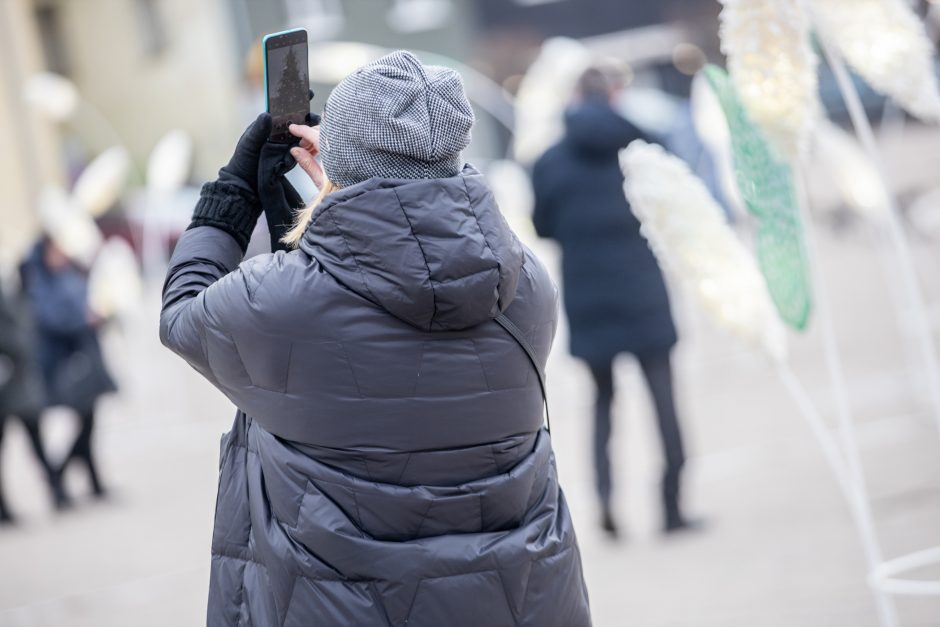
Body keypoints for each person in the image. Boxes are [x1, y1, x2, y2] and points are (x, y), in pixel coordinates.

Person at [160, 51, 591, 626]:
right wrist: (345, 202)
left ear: (340, 158)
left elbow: (183, 313)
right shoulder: (526, 285)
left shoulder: (281, 303)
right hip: (516, 604)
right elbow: (405, 268)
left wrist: (235, 189)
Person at [532, 66, 695, 537]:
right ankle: (672, 506)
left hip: (588, 294)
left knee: (603, 402)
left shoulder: (547, 162)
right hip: (642, 288)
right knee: (664, 400)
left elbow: (544, 226)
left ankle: (605, 501)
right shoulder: (641, 147)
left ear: (575, 97)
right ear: (615, 96)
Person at [20, 237, 116, 500]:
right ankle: (60, 478)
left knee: (87, 420)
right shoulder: (38, 280)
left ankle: (84, 482)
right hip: (59, 365)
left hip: (81, 362)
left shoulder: (69, 273)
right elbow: (50, 317)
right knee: (81, 422)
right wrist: (84, 319)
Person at [0, 276, 68, 523]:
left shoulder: (15, 286)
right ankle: (6, 508)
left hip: (19, 384)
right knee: (30, 446)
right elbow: (16, 335)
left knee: (38, 444)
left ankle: (58, 492)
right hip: (9, 385)